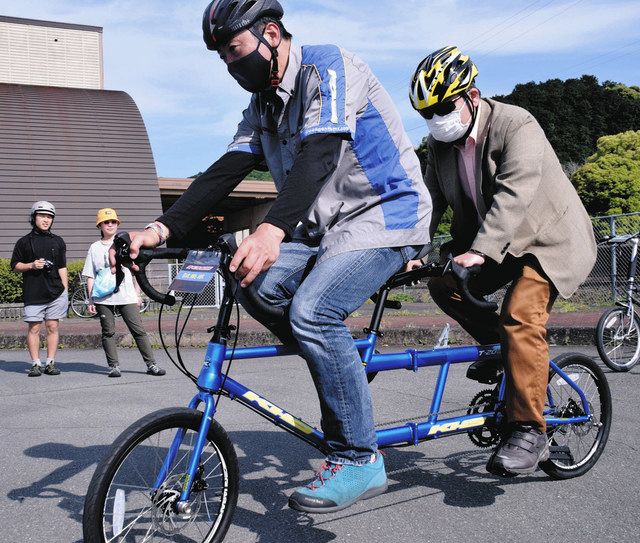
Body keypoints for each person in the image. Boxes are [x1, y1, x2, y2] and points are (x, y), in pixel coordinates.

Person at [119, 0, 432, 513]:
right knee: (254, 284)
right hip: (324, 229)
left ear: (270, 33)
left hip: (385, 216)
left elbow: (322, 151)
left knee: (313, 310)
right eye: (221, 58)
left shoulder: (326, 67)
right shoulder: (263, 104)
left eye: (234, 51)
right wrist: (160, 229)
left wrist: (269, 231)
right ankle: (338, 359)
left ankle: (359, 457)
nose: (229, 66)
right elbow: (227, 170)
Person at [409, 46, 597, 476]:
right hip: (500, 244)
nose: (436, 118)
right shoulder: (438, 147)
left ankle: (530, 429)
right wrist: (413, 255)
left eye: (442, 106)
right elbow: (429, 205)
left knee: (520, 314)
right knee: (443, 282)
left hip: (549, 241)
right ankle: (503, 350)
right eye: (426, 113)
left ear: (471, 96)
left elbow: (514, 195)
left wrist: (478, 251)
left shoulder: (516, 124)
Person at [82, 208, 165, 378]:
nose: (110, 224)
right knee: (108, 332)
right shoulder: (95, 247)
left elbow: (137, 271)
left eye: (113, 221)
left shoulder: (126, 242)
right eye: (106, 222)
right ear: (100, 225)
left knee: (138, 330)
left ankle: (152, 364)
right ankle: (114, 366)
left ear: (118, 223)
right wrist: (91, 299)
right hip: (103, 297)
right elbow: (90, 275)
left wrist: (138, 293)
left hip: (127, 295)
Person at [11, 201, 68, 377]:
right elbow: (14, 265)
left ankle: (50, 362)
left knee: (52, 326)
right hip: (33, 292)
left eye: (50, 217)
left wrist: (65, 291)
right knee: (34, 328)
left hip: (56, 292)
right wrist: (31, 265)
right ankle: (36, 363)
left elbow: (62, 267)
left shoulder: (58, 241)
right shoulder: (23, 242)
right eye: (42, 216)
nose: (46, 220)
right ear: (33, 217)